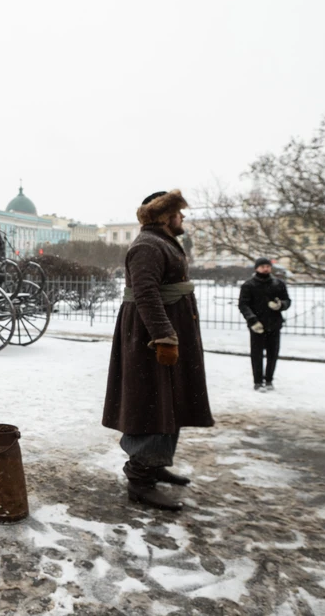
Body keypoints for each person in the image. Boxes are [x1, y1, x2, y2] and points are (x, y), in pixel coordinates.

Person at [103, 190, 214, 511]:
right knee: (151, 404)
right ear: (165, 216)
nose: (183, 217)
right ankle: (140, 479)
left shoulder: (161, 242)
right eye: (179, 212)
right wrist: (164, 336)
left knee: (169, 401)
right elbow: (146, 293)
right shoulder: (148, 246)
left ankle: (155, 464)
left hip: (165, 337)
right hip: (149, 341)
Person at [238, 257, 291, 391]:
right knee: (257, 354)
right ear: (256, 268)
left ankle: (269, 380)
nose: (265, 269)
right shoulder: (249, 285)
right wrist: (252, 320)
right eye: (262, 266)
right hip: (257, 326)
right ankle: (257, 381)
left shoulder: (278, 284)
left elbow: (287, 301)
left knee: (273, 354)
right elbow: (243, 305)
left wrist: (280, 305)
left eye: (267, 266)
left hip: (274, 323)